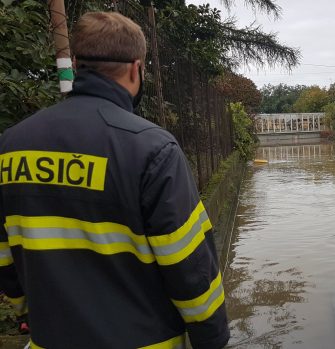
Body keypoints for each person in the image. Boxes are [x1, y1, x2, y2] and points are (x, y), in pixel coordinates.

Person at [0, 11, 229, 348]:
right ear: (136, 68)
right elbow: (189, 266)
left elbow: (5, 255)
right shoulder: (152, 149)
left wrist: (27, 316)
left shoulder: (11, 144)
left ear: (76, 64)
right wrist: (212, 339)